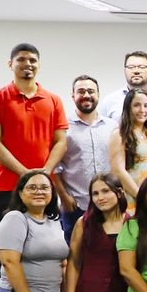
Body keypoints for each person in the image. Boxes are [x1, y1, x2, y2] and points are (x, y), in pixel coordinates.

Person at [0, 43, 68, 290]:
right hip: (6, 186)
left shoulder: (53, 100)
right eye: (21, 60)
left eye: (32, 60)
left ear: (38, 65)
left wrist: (43, 174)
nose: (27, 64)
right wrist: (26, 175)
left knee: (43, 245)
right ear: (10, 64)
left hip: (44, 187)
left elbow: (61, 142)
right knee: (2, 247)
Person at [54, 75, 111, 238]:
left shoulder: (112, 126)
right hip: (76, 205)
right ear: (73, 96)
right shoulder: (62, 127)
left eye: (91, 91)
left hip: (108, 205)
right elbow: (55, 166)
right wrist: (64, 196)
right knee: (75, 251)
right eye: (81, 91)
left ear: (98, 95)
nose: (86, 95)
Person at [109, 89, 147, 198]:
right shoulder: (120, 134)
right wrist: (140, 197)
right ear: (128, 108)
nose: (142, 110)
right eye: (136, 105)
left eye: (146, 106)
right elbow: (118, 170)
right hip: (132, 194)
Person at [101, 50, 147, 120]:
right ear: (124, 70)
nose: (136, 71)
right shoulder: (109, 101)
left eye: (142, 67)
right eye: (131, 67)